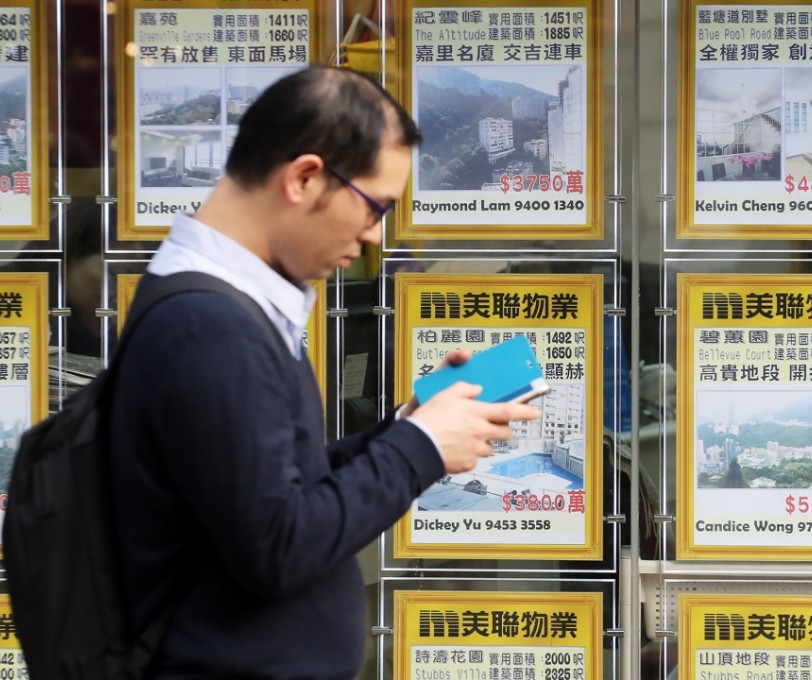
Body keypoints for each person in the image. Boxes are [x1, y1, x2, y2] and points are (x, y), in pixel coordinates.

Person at [108, 66, 540, 679]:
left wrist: (407, 431)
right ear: (305, 177)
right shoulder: (210, 327)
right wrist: (417, 448)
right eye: (373, 206)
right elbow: (277, 546)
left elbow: (277, 491)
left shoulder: (224, 309)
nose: (373, 236)